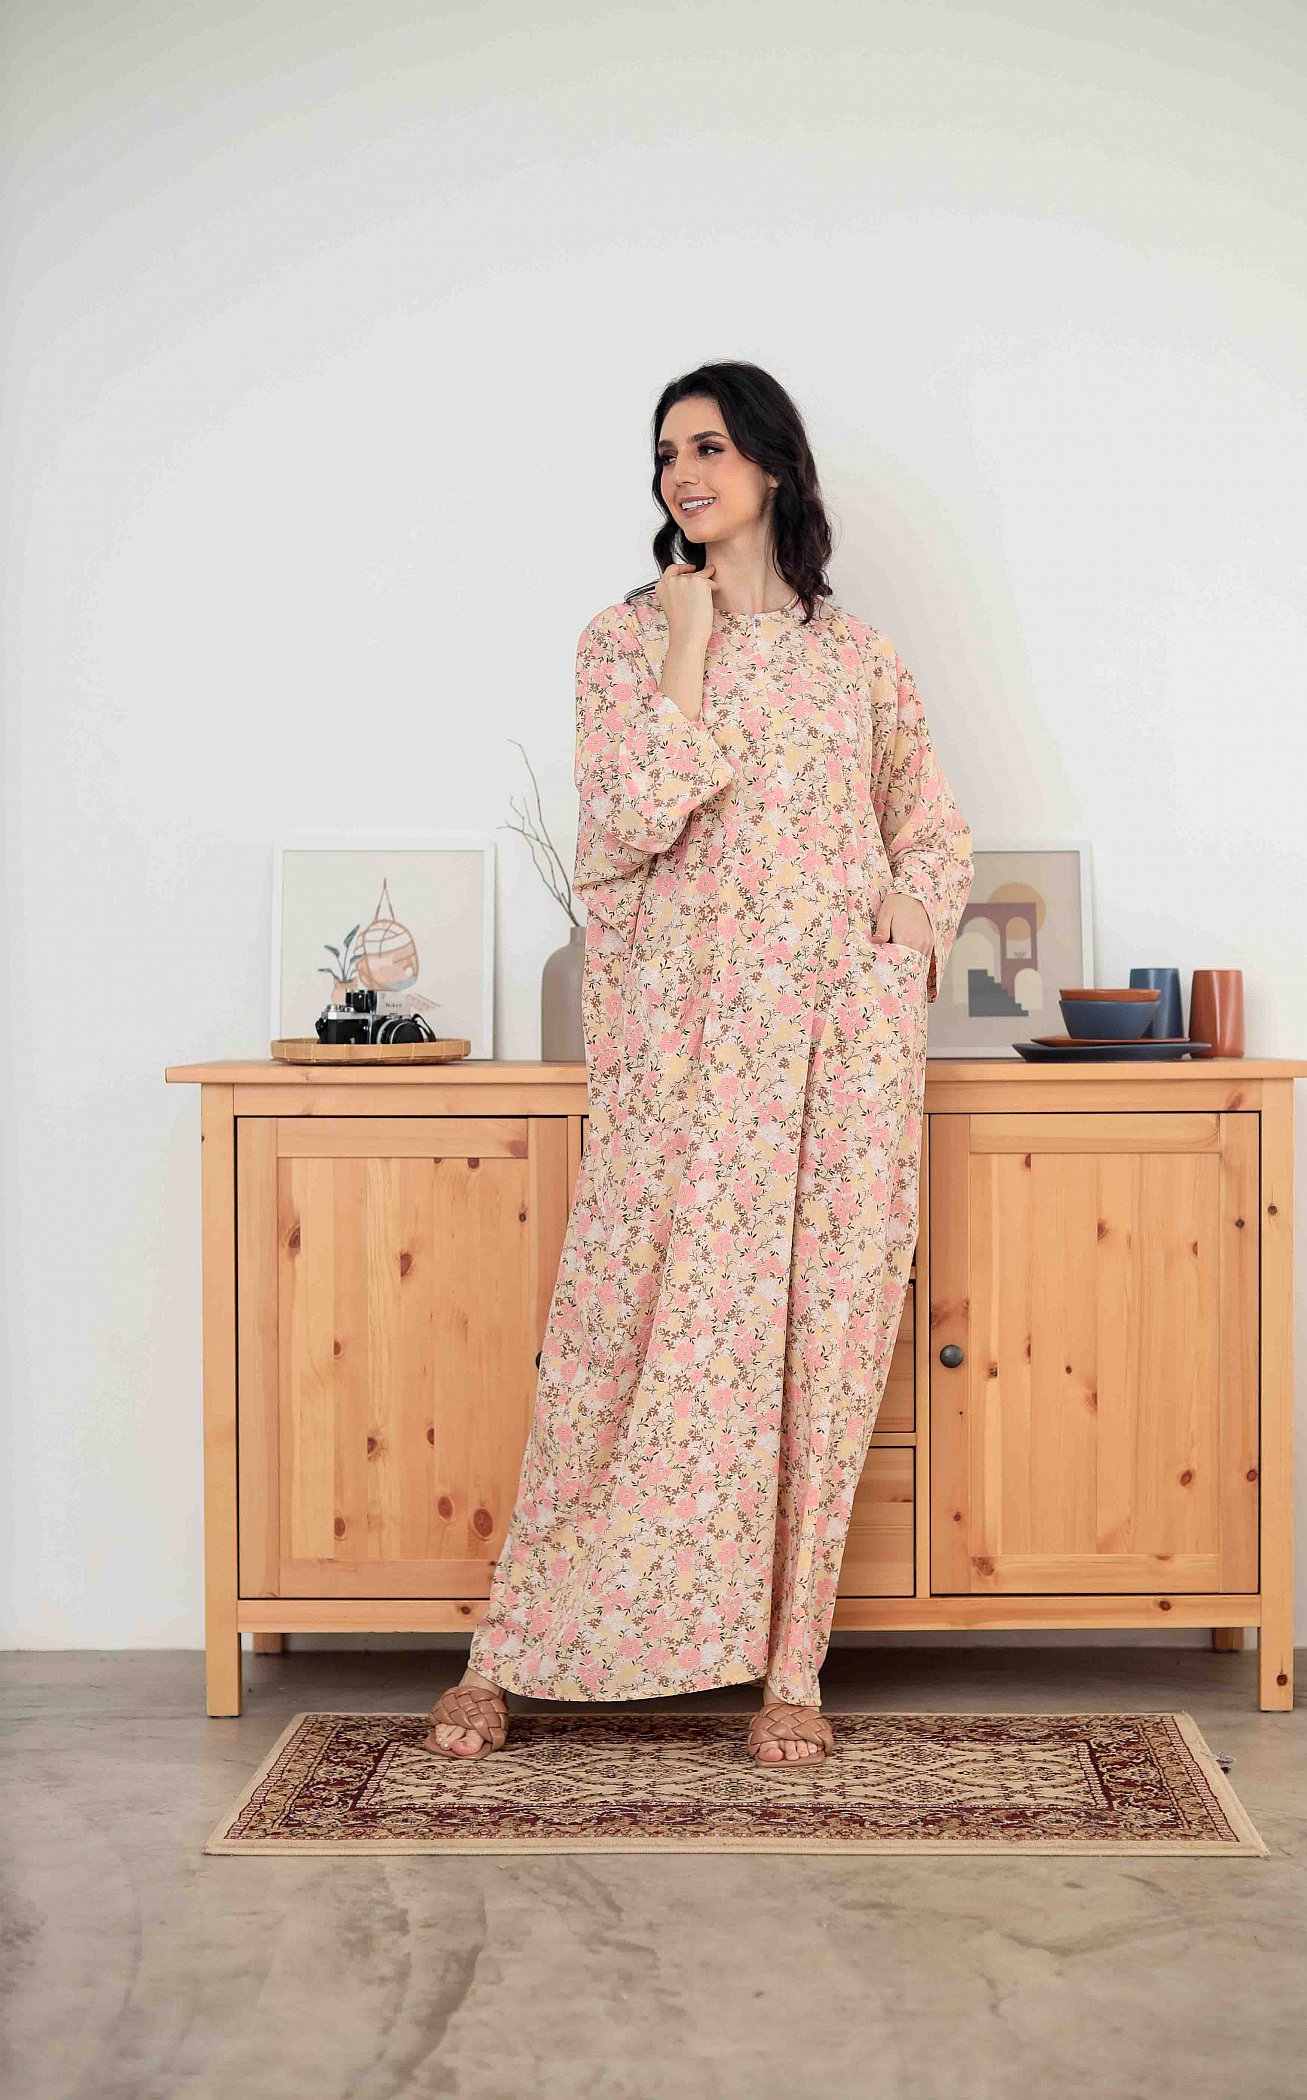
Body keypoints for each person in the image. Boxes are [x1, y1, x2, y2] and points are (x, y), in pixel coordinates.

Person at [426, 360, 973, 1768]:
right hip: (680, 1051)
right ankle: (512, 1649)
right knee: (615, 1342)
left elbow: (929, 823)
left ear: (773, 465)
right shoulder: (621, 640)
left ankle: (793, 1668)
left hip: (836, 1050)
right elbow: (629, 818)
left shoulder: (858, 659)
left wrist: (911, 928)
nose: (684, 471)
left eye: (712, 446)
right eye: (668, 452)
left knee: (819, 1349)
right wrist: (685, 637)